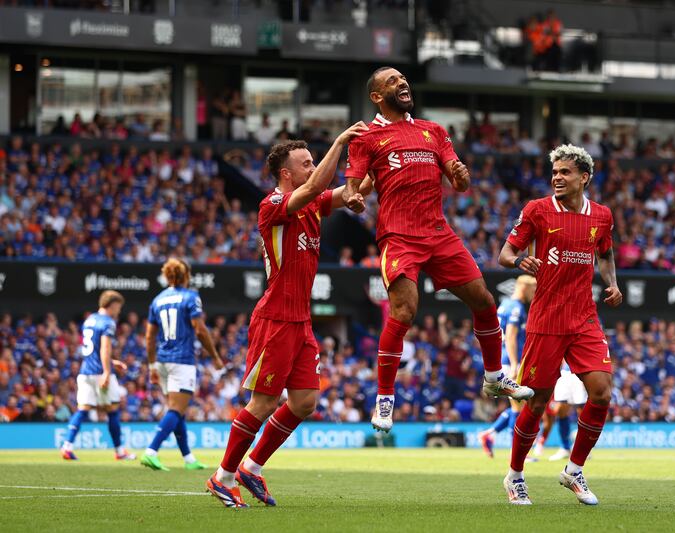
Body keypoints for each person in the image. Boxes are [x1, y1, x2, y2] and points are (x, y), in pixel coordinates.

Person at [342, 67, 533, 434]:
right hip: (399, 236)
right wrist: (352, 197)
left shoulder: (434, 130)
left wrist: (461, 176)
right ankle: (384, 397)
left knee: (484, 300)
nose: (403, 83)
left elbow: (458, 179)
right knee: (405, 310)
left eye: (403, 79)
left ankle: (495, 376)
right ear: (377, 96)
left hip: (438, 233)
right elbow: (354, 185)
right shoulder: (368, 136)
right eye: (393, 81)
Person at [206, 122, 372, 508]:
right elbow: (315, 188)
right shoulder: (272, 205)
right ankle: (222, 476)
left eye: (314, 162)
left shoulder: (311, 203)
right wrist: (340, 142)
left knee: (304, 402)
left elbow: (353, 190)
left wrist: (376, 162)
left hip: (301, 320)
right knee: (262, 403)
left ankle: (252, 469)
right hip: (276, 317)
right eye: (306, 162)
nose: (313, 168)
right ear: (286, 173)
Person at [498, 144, 622, 506]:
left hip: (584, 317)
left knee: (601, 392)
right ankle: (515, 476)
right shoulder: (537, 210)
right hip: (546, 320)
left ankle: (574, 470)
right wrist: (518, 261)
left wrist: (612, 283)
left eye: (565, 172)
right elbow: (505, 254)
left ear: (583, 177)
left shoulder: (601, 216)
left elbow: (606, 253)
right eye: (554, 173)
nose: (557, 178)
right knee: (536, 404)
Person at [140, 258, 226, 471]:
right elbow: (200, 329)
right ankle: (151, 451)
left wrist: (151, 366)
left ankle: (188, 458)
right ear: (186, 275)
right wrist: (214, 355)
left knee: (176, 409)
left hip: (162, 360)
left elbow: (149, 337)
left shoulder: (157, 299)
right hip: (182, 360)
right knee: (177, 409)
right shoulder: (190, 297)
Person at [60, 290, 136, 461]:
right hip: (99, 373)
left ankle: (67, 446)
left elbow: (93, 349)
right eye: (119, 307)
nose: (119, 311)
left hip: (85, 371)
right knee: (113, 411)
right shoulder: (108, 322)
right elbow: (104, 347)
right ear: (112, 305)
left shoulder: (90, 320)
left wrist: (113, 362)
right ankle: (119, 451)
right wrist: (108, 371)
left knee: (82, 410)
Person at [478, 275, 537, 458]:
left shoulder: (504, 305)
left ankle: (490, 434)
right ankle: (518, 453)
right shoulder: (516, 308)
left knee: (516, 407)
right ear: (524, 288)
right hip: (510, 361)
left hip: (501, 359)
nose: (534, 294)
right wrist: (514, 363)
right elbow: (511, 336)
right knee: (519, 407)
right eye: (533, 290)